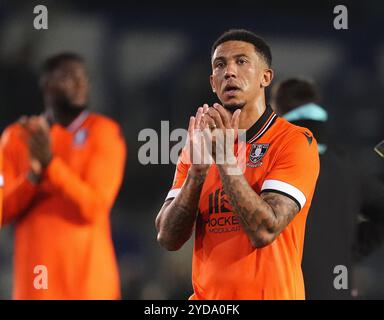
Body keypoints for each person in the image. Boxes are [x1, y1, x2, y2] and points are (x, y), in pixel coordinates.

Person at [155, 29, 320, 300]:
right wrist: (196, 174)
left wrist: (224, 161)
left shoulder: (295, 141)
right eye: (220, 65)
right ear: (212, 81)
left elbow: (265, 230)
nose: (229, 71)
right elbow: (168, 237)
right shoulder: (197, 146)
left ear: (266, 77)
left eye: (241, 61)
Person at [1, 52, 126, 299]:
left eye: (84, 77)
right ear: (46, 83)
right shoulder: (17, 137)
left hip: (91, 288)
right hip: (34, 291)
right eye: (69, 76)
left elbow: (94, 208)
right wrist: (32, 179)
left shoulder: (104, 133)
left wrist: (51, 165)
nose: (80, 83)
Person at [271, 78, 384, 299]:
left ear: (276, 109)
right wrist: (347, 252)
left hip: (279, 286)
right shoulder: (349, 168)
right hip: (336, 285)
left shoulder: (267, 163)